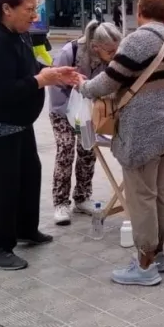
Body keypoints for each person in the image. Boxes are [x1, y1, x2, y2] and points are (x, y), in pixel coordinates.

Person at [67, 0, 164, 286]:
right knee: (158, 193)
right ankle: (159, 255)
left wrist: (83, 86)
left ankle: (144, 265)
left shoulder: (139, 39)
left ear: (140, 11)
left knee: (141, 197)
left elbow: (110, 80)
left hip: (143, 133)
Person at [0, 0, 75, 270]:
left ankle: (25, 229)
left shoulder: (18, 34)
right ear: (7, 9)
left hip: (18, 123)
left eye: (35, 8)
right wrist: (41, 81)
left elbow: (28, 68)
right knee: (4, 184)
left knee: (29, 173)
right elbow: (2, 91)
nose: (34, 14)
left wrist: (54, 72)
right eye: (28, 8)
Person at [48, 20, 121, 225]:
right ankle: (61, 202)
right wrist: (70, 110)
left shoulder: (110, 61)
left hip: (87, 115)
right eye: (110, 50)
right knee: (65, 150)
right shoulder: (70, 52)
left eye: (116, 49)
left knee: (88, 151)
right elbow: (54, 83)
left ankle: (82, 197)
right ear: (95, 47)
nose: (114, 54)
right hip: (63, 111)